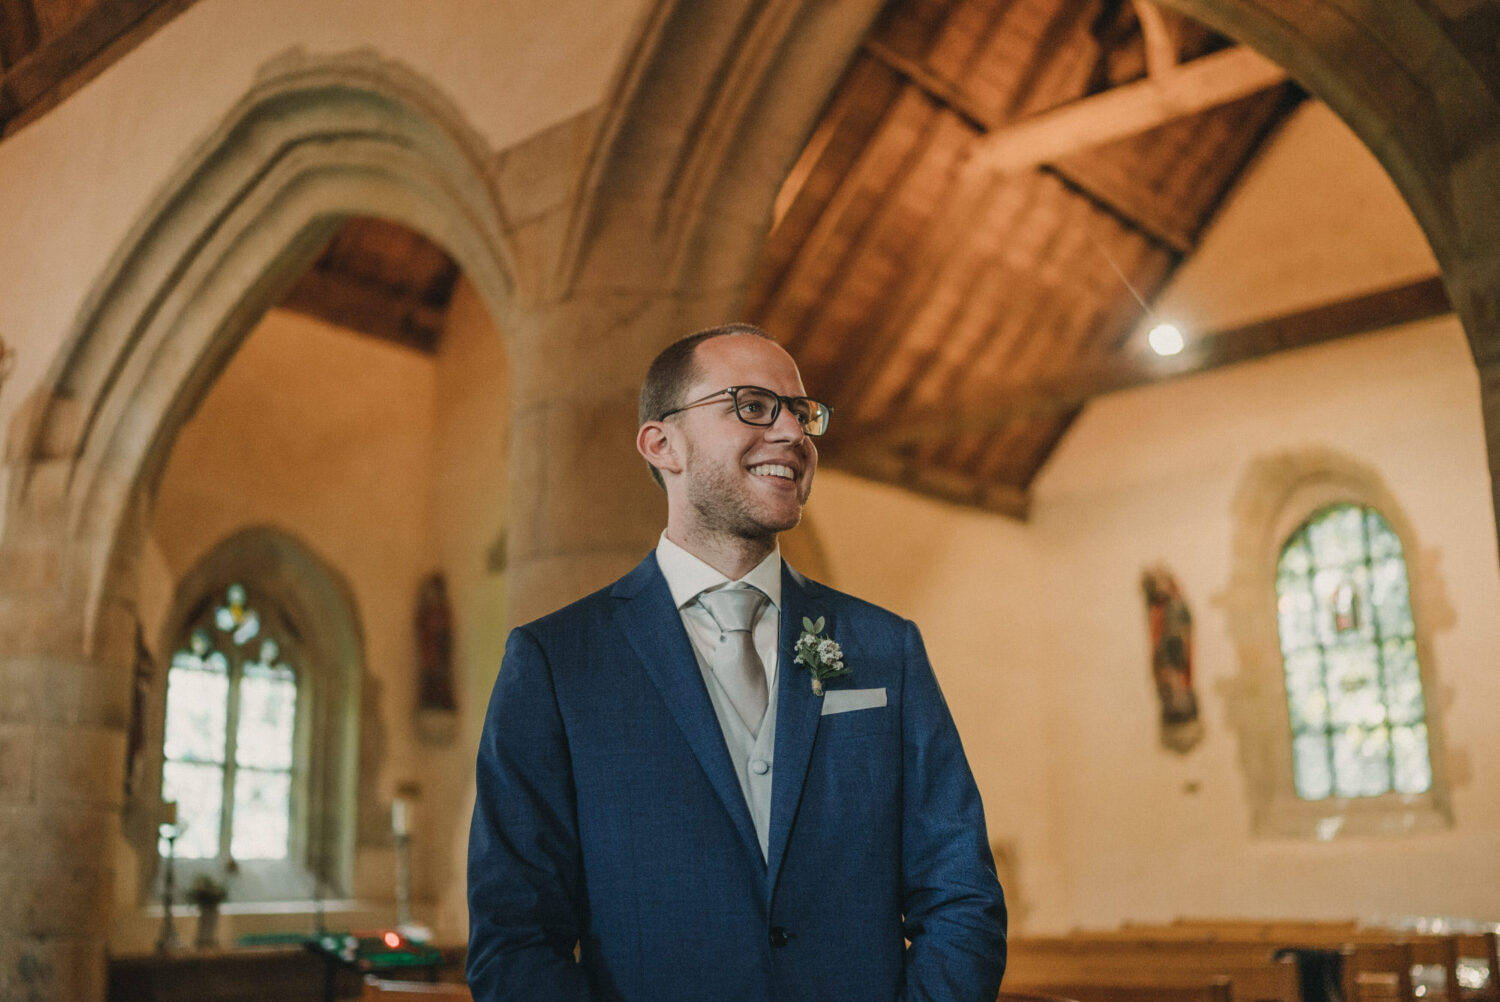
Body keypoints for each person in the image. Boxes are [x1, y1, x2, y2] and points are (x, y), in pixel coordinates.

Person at [467, 323, 1007, 1001]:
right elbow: (516, 937)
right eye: (752, 406)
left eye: (802, 414)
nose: (792, 434)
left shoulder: (884, 647)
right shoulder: (557, 661)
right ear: (662, 444)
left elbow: (960, 893)